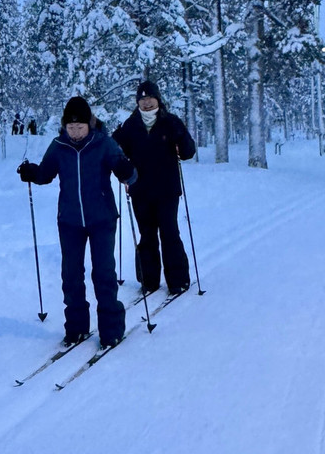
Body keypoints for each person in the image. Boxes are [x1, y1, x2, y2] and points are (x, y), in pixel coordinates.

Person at [17, 96, 136, 349]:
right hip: (70, 220)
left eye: (80, 127)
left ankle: (111, 330)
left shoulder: (103, 143)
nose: (75, 132)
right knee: (71, 275)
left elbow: (128, 173)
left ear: (89, 124)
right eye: (71, 127)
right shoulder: (59, 146)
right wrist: (31, 172)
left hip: (102, 218)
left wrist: (127, 171)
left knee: (103, 273)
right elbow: (45, 174)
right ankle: (76, 328)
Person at [112, 80, 197, 296]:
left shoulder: (170, 122)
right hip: (140, 190)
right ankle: (149, 280)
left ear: (158, 99)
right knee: (146, 235)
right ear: (137, 102)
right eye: (142, 99)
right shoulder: (130, 125)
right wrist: (121, 166)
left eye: (150, 98)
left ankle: (178, 280)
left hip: (167, 190)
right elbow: (116, 153)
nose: (147, 102)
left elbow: (188, 153)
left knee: (169, 233)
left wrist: (181, 136)